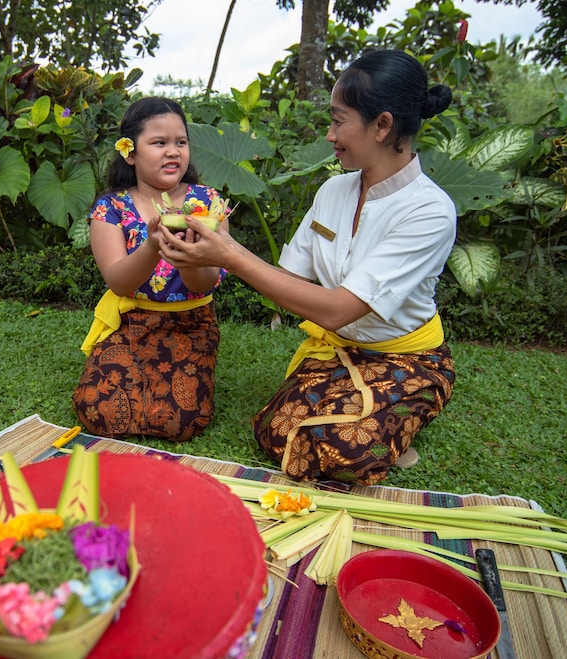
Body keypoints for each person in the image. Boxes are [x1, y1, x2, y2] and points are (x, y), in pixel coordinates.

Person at [158, 50, 456, 485]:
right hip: (338, 348)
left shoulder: (429, 211)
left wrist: (230, 255)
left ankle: (402, 409)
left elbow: (337, 310)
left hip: (407, 355)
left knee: (347, 451)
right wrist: (217, 246)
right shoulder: (333, 191)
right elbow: (290, 282)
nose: (330, 135)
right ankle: (372, 410)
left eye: (339, 121)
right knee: (274, 429)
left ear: (383, 125)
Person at [73, 97, 228, 442]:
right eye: (159, 143)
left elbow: (205, 283)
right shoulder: (111, 207)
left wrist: (188, 256)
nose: (173, 151)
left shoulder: (208, 204)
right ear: (130, 152)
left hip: (191, 325)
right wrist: (152, 246)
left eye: (181, 142)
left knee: (181, 421)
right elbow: (118, 282)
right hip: (131, 323)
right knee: (97, 409)